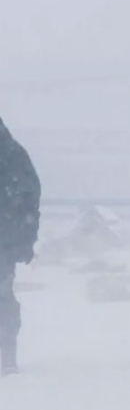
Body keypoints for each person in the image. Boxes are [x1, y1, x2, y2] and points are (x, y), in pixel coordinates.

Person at [0, 117, 40, 376]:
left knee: (3, 298)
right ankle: (7, 354)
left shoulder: (14, 157)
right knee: (3, 298)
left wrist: (26, 240)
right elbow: (30, 203)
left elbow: (29, 203)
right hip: (7, 240)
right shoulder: (16, 156)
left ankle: (7, 354)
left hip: (5, 242)